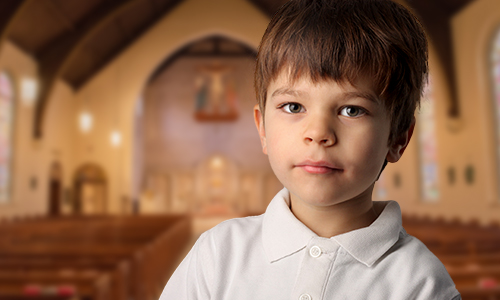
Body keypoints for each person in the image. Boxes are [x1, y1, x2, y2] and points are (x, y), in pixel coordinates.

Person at [159, 0, 461, 299]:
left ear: (397, 139)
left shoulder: (421, 283)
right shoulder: (218, 254)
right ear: (262, 127)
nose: (318, 133)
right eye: (293, 106)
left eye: (352, 110)